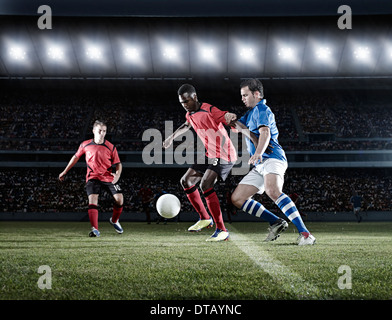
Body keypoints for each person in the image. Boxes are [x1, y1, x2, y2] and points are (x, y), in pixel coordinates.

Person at [163, 84, 254, 242]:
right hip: (210, 153)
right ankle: (205, 218)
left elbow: (231, 121)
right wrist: (171, 137)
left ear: (195, 97)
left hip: (225, 154)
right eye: (182, 103)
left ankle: (222, 230)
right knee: (186, 181)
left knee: (205, 184)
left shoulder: (209, 110)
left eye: (187, 101)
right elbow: (187, 124)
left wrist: (252, 137)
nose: (184, 105)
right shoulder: (190, 114)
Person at [230, 79, 316, 245]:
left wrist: (258, 153)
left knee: (273, 190)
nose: (243, 98)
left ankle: (305, 234)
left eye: (245, 95)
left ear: (257, 94)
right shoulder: (250, 113)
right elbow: (237, 126)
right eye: (241, 95)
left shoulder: (262, 109)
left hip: (272, 158)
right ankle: (276, 222)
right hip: (260, 164)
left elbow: (265, 133)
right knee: (238, 199)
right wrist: (230, 118)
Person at [59, 120, 124, 237]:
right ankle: (95, 229)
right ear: (93, 131)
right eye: (100, 131)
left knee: (119, 199)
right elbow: (75, 157)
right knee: (93, 200)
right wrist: (65, 171)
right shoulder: (85, 145)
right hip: (92, 177)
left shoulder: (111, 147)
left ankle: (114, 220)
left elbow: (118, 163)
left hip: (108, 177)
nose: (102, 133)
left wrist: (117, 175)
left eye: (104, 131)